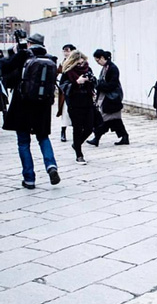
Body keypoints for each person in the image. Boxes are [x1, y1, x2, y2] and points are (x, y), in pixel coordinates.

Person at [2, 32, 60, 188]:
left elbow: (5, 69)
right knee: (43, 137)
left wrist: (14, 54)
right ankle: (51, 166)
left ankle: (29, 179)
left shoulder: (23, 55)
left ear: (29, 43)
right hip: (43, 105)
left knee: (23, 142)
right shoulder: (51, 58)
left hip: (23, 105)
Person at [60, 50, 97, 165]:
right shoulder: (68, 72)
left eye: (83, 62)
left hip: (88, 101)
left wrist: (90, 80)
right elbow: (64, 87)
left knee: (89, 127)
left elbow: (95, 83)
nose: (81, 65)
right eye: (79, 63)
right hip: (74, 103)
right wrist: (77, 82)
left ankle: (76, 144)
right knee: (77, 128)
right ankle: (79, 155)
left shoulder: (88, 69)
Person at [86, 49, 129, 146]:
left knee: (105, 119)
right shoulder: (106, 67)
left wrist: (98, 85)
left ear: (102, 57)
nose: (97, 63)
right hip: (108, 97)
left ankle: (97, 138)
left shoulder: (112, 68)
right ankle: (124, 136)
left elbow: (112, 84)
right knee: (114, 119)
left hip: (111, 98)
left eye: (97, 60)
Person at [56, 43, 76, 142]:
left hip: (76, 90)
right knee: (65, 112)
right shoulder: (62, 63)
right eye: (64, 51)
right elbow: (57, 73)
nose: (65, 53)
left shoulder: (77, 62)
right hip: (65, 91)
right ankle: (63, 132)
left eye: (67, 50)